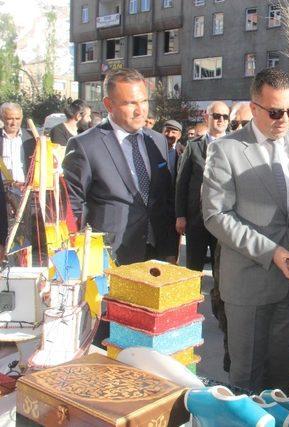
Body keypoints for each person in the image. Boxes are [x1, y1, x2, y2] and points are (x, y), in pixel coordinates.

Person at [201, 68, 289, 394]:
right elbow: (216, 215)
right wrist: (271, 253)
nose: (284, 119)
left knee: (283, 375)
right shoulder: (226, 150)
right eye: (275, 112)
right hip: (249, 283)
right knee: (247, 379)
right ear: (255, 107)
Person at [62, 68, 175, 266]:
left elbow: (165, 199)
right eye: (130, 103)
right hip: (108, 259)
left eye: (144, 101)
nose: (140, 110)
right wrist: (83, 256)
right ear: (109, 104)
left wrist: (170, 250)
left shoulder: (157, 141)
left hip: (155, 254)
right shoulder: (85, 145)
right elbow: (72, 206)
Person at [176, 101, 230, 370]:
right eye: (216, 116)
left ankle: (222, 315)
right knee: (193, 270)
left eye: (224, 117)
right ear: (207, 118)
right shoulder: (195, 147)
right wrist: (180, 215)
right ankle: (189, 315)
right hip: (196, 220)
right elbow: (182, 181)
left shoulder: (233, 146)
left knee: (221, 271)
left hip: (222, 222)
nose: (220, 120)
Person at [0, 102, 35, 185]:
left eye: (17, 118)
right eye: (10, 118)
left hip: (25, 190)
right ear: (2, 118)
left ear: (22, 117)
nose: (14, 123)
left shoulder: (31, 138)